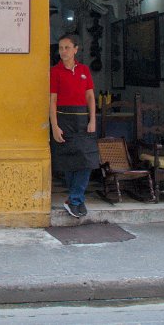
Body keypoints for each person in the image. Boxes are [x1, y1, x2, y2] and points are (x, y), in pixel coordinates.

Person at [49, 33, 99, 218]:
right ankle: (76, 199)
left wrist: (93, 119)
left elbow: (90, 97)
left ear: (76, 49)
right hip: (64, 120)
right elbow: (52, 100)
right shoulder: (55, 72)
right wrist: (54, 126)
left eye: (67, 47)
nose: (63, 51)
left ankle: (75, 198)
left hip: (83, 120)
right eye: (60, 48)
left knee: (86, 161)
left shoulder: (84, 70)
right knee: (70, 161)